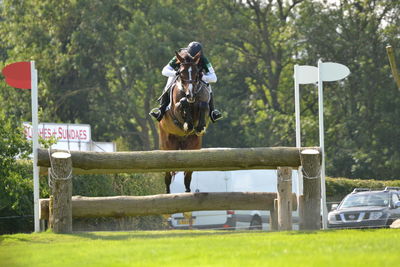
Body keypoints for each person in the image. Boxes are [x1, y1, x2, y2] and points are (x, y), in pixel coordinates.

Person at [149, 41, 222, 122]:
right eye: (192, 57)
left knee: (208, 86)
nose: (194, 59)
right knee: (168, 84)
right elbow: (164, 71)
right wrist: (175, 73)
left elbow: (214, 78)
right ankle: (161, 110)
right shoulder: (180, 55)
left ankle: (212, 111)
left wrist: (203, 77)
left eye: (196, 58)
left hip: (196, 78)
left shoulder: (203, 59)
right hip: (181, 76)